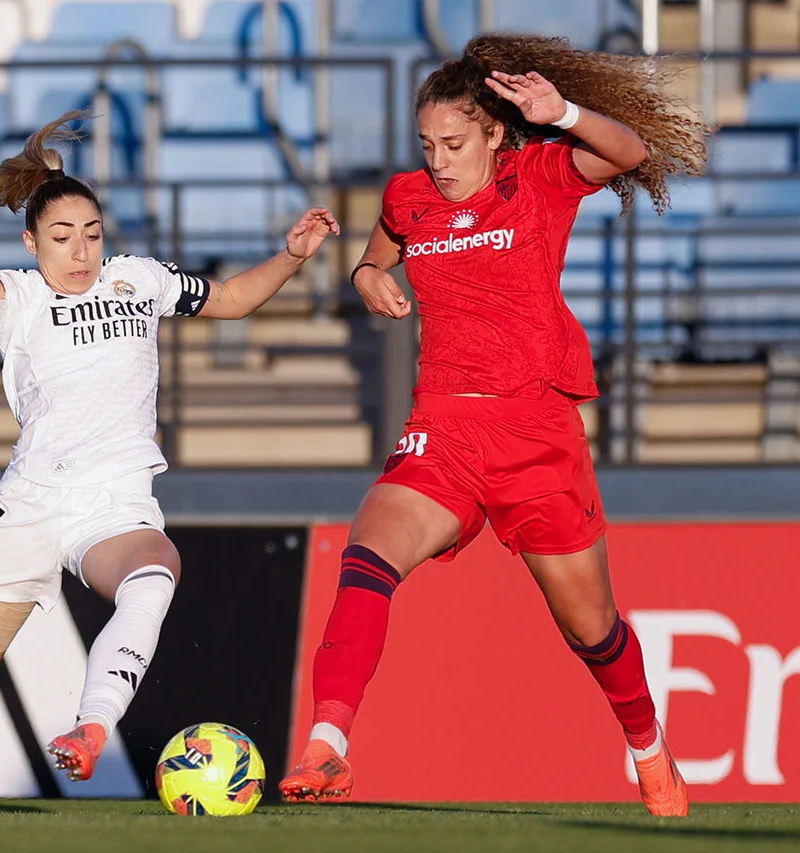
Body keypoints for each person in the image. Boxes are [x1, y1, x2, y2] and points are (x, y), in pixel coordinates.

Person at [278, 35, 707, 817]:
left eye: (453, 143)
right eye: (427, 144)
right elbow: (378, 254)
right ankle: (327, 746)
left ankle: (647, 746)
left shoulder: (538, 177)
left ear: (495, 133)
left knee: (592, 627)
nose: (438, 160)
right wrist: (369, 275)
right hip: (441, 427)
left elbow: (630, 151)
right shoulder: (410, 196)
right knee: (367, 552)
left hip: (536, 433)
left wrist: (566, 113)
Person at [0, 91, 339, 814]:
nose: (81, 250)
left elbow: (230, 299)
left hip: (113, 500)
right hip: (30, 503)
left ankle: (91, 727)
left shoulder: (139, 280)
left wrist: (289, 256)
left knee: (154, 573)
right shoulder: (20, 300)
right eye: (62, 235)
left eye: (91, 233)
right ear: (32, 242)